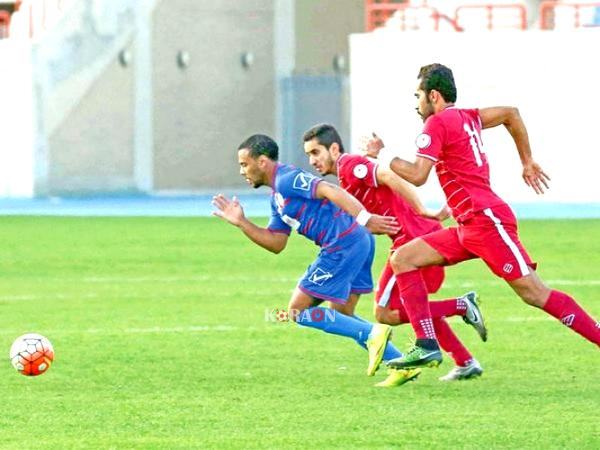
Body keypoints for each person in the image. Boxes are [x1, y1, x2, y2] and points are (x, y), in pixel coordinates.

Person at [362, 63, 600, 369]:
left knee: (534, 293)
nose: (416, 103)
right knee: (403, 259)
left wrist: (381, 154)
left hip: (485, 220)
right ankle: (426, 344)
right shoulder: (468, 117)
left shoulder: (436, 124)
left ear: (434, 95)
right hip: (467, 225)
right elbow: (510, 113)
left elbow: (418, 175)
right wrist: (526, 161)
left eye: (418, 95)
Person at [212, 134, 418, 385]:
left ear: (263, 161)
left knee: (297, 311)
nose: (242, 171)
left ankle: (374, 332)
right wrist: (242, 223)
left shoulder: (287, 179)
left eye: (245, 164)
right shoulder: (277, 198)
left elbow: (328, 189)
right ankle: (400, 365)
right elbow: (276, 243)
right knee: (342, 313)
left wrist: (365, 218)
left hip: (343, 243)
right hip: (357, 241)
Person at [302, 123, 487, 383]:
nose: (312, 160)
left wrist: (421, 208)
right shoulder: (344, 181)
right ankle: (465, 361)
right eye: (308, 155)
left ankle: (461, 305)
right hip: (417, 236)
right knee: (416, 306)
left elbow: (389, 176)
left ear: (334, 148)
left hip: (412, 241)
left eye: (316, 152)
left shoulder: (349, 165)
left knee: (384, 313)